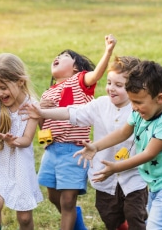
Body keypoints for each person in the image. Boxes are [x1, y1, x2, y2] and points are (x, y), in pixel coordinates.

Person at [21, 56, 148, 230]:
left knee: (136, 216)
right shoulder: (101, 104)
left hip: (133, 176)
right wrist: (42, 112)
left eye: (119, 85)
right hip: (105, 178)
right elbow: (71, 112)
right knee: (109, 216)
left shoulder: (139, 109)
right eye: (109, 83)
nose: (111, 89)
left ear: (133, 88)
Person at [75, 60, 162, 229]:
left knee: (155, 227)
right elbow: (123, 132)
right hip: (156, 181)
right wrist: (96, 146)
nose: (134, 107)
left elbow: (149, 154)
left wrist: (117, 167)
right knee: (156, 224)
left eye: (138, 102)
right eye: (132, 101)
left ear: (160, 98)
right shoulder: (139, 113)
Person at [36, 34, 116, 229]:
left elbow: (96, 74)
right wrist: (40, 109)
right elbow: (42, 126)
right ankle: (77, 222)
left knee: (68, 200)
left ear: (76, 68)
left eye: (64, 55)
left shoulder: (80, 82)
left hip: (74, 151)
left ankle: (71, 215)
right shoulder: (48, 92)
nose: (58, 57)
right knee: (54, 197)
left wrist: (108, 51)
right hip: (51, 150)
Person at [0, 53, 43, 230]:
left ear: (20, 82)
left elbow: (27, 140)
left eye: (3, 87)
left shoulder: (32, 107)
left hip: (21, 166)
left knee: (25, 218)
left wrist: (15, 141)